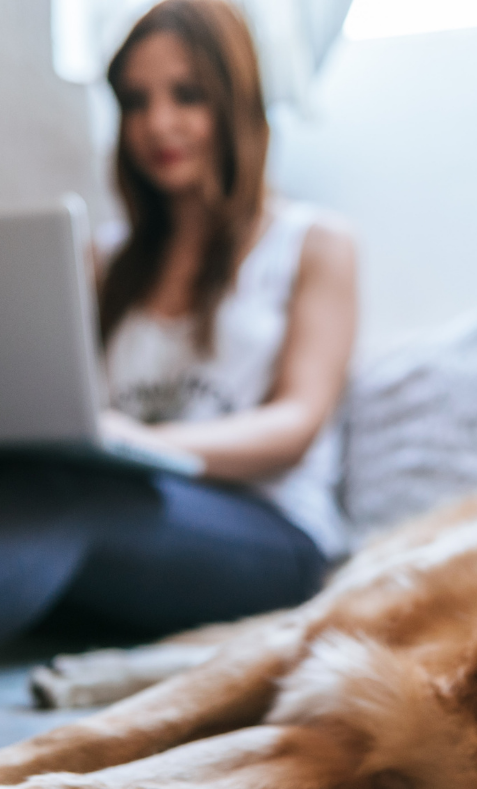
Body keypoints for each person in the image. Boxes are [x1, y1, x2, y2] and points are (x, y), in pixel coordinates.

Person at [0, 0, 357, 645]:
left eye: (186, 95)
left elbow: (296, 424)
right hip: (117, 517)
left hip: (269, 533)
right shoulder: (101, 260)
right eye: (136, 101)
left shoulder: (313, 243)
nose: (158, 124)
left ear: (234, 102)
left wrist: (146, 445)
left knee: (77, 503)